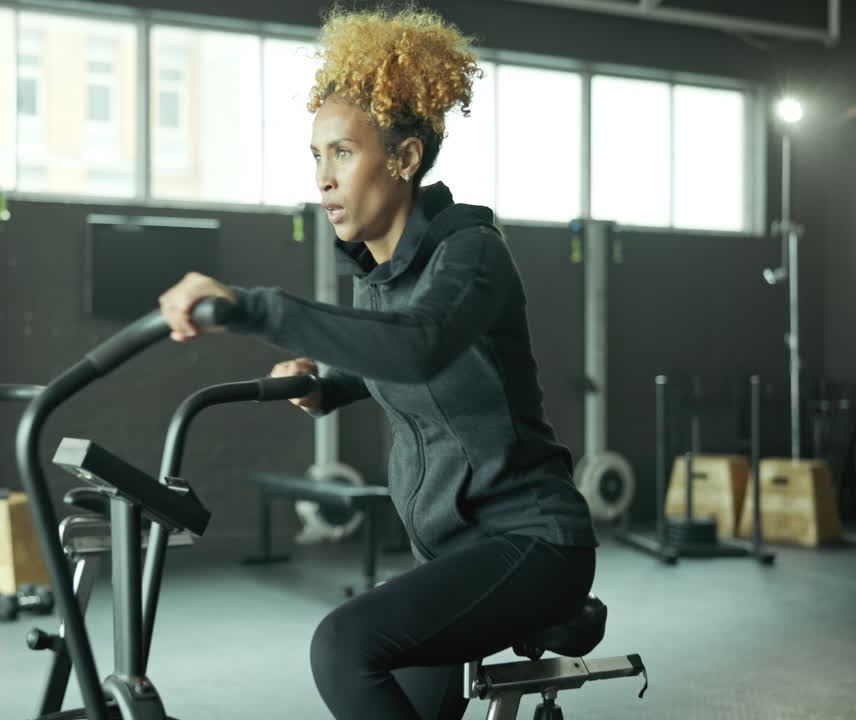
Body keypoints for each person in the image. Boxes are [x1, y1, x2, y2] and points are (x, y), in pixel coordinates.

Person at [157, 7, 599, 720]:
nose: (323, 179)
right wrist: (326, 386)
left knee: (343, 646)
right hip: (453, 556)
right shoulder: (380, 275)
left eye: (342, 153)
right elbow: (396, 360)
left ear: (404, 159)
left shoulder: (472, 253)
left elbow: (421, 344)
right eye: (315, 156)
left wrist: (252, 307)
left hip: (534, 542)